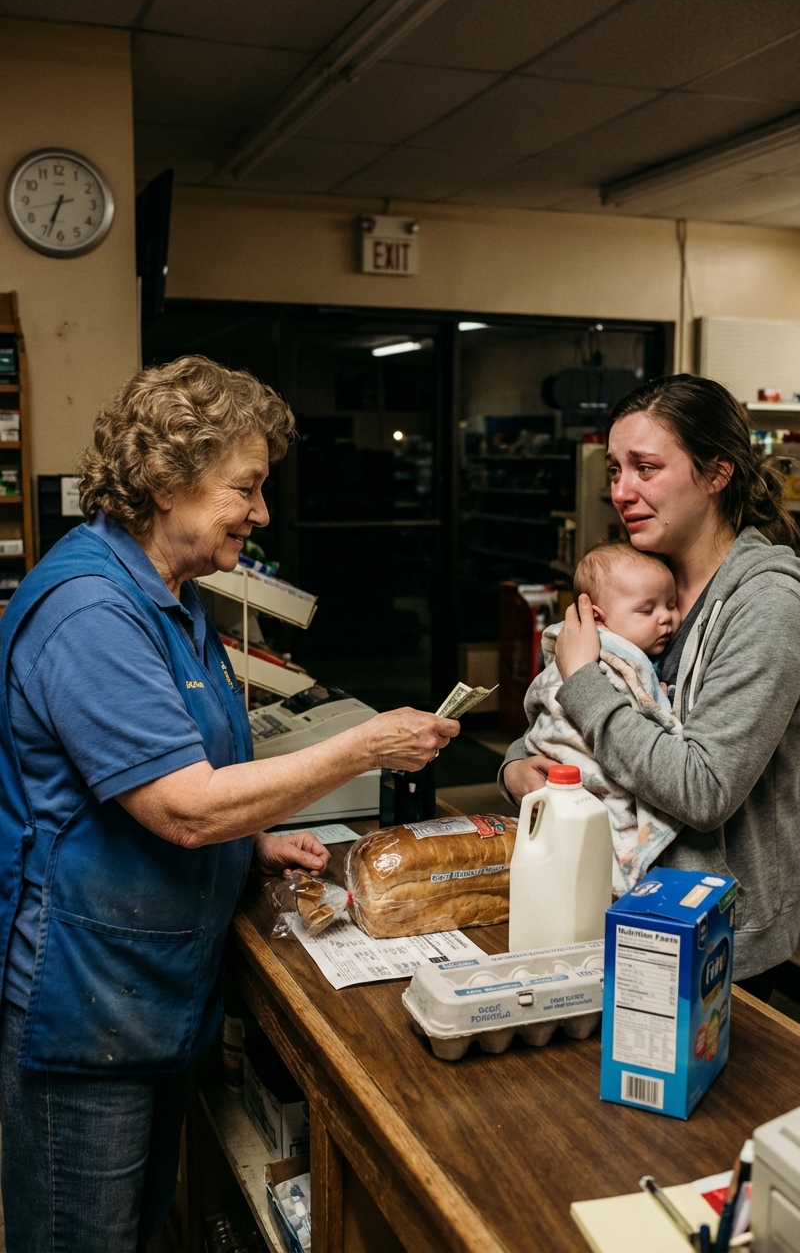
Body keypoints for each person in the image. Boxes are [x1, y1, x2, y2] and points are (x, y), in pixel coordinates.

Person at [0, 356, 459, 1253]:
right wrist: (362, 748)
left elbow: (148, 778)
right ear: (167, 482)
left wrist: (249, 844)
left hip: (151, 990)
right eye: (244, 488)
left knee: (137, 1229)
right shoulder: (91, 610)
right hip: (88, 1008)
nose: (260, 513)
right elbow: (183, 807)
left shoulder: (171, 596)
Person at [502, 374, 800, 1002]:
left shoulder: (768, 606)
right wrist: (516, 769)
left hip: (717, 945)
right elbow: (559, 717)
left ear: (717, 473)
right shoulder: (644, 586)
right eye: (615, 470)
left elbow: (703, 789)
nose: (622, 491)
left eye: (645, 468)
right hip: (616, 914)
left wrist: (585, 678)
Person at [522, 541, 683, 897]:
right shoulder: (613, 659)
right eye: (647, 610)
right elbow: (550, 712)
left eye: (672, 604)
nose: (666, 617)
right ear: (597, 619)